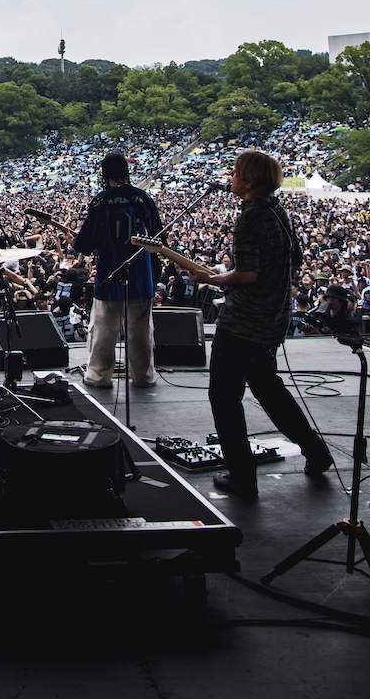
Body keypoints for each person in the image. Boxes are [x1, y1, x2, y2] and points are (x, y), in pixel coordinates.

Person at [187, 150, 333, 499]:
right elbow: (284, 262)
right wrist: (222, 274)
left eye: (235, 172)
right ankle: (316, 452)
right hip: (272, 318)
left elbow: (249, 275)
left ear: (248, 182)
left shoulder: (249, 218)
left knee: (223, 397)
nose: (231, 177)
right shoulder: (277, 212)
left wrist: (216, 279)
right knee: (269, 389)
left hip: (243, 322)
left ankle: (242, 475)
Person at [72, 152, 162, 389]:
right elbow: (159, 235)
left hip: (110, 274)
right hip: (141, 275)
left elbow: (85, 244)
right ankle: (143, 377)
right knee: (141, 331)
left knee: (104, 331)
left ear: (105, 173)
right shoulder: (143, 199)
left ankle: (99, 376)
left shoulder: (102, 201)